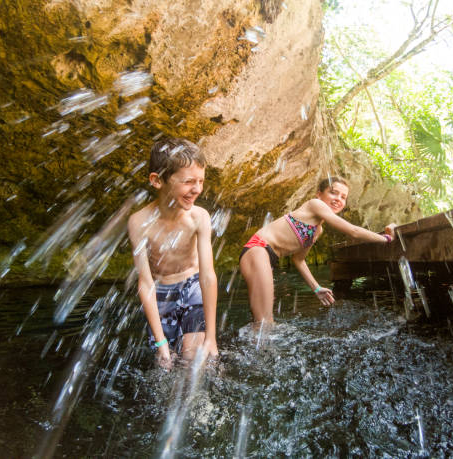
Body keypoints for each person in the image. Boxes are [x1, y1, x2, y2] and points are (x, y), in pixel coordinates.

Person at [239, 177, 397, 323]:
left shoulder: (317, 230)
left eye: (343, 197)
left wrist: (316, 288)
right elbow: (353, 231)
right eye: (333, 193)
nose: (338, 199)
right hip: (258, 249)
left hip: (266, 256)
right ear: (319, 194)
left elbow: (298, 260)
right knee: (264, 322)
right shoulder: (315, 204)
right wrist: (387, 239)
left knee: (264, 321)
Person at [128, 137, 218, 367]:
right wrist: (160, 343)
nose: (197, 189)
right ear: (157, 180)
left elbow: (207, 277)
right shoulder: (139, 222)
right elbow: (145, 282)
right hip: (161, 291)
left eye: (201, 181)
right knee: (166, 362)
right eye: (188, 182)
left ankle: (203, 402)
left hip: (193, 284)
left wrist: (212, 337)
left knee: (195, 358)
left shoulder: (199, 217)